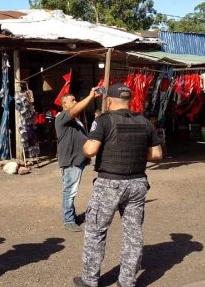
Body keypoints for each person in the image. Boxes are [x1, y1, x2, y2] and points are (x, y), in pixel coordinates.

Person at [73, 83, 162, 287]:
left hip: (110, 184)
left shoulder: (103, 121)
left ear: (109, 100)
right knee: (133, 233)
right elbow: (157, 154)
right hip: (138, 184)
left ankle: (90, 280)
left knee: (96, 231)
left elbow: (90, 150)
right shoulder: (145, 122)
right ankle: (127, 281)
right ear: (129, 101)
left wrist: (86, 144)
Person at [55, 89, 101, 232]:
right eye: (73, 100)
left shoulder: (76, 121)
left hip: (77, 160)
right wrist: (90, 96)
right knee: (70, 191)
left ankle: (72, 216)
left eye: (76, 100)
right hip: (70, 161)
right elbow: (75, 111)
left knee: (71, 189)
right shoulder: (62, 117)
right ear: (64, 104)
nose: (75, 102)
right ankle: (69, 220)